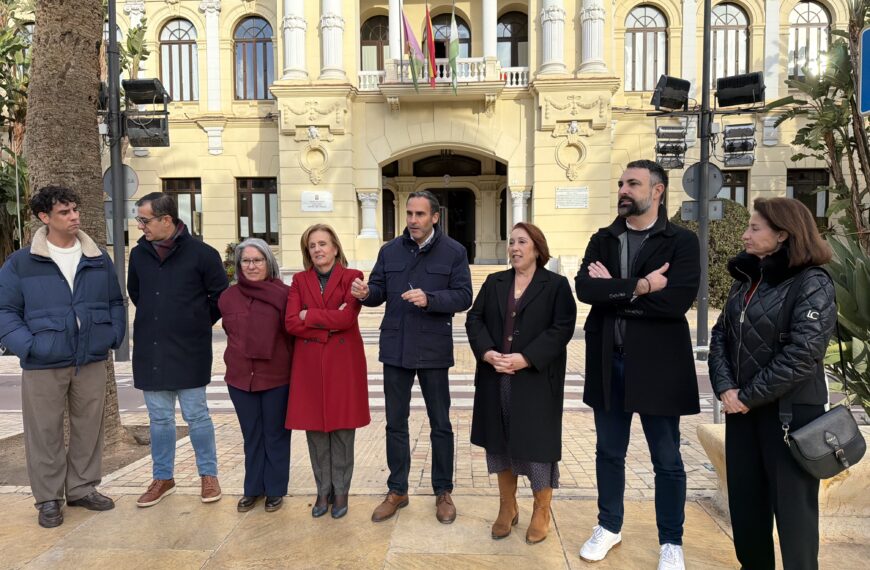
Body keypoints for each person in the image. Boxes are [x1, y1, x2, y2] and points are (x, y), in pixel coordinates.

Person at [575, 160, 700, 570]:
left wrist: (616, 294)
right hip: (609, 363)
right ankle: (609, 526)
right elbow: (586, 289)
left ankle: (671, 541)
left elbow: (676, 303)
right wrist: (641, 287)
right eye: (621, 183)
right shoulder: (604, 238)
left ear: (658, 191)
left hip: (659, 367)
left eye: (633, 183)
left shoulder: (681, 241)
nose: (624, 189)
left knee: (666, 458)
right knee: (609, 453)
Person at [709, 198, 835, 570]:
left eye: (754, 228)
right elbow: (720, 337)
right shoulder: (747, 279)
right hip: (743, 413)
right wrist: (726, 389)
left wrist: (746, 396)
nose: (745, 235)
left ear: (783, 234)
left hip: (790, 416)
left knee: (795, 517)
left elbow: (803, 353)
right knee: (746, 511)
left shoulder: (812, 282)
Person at [0, 186, 126, 528]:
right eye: (65, 212)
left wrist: (112, 335)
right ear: (45, 218)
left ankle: (83, 488)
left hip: (90, 358)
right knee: (44, 432)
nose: (74, 217)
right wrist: (29, 346)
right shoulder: (21, 263)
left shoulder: (97, 257)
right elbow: (6, 311)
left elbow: (116, 300)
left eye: (75, 210)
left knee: (89, 428)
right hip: (43, 362)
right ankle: (49, 499)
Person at [351, 190, 472, 524]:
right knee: (395, 423)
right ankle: (397, 490)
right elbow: (377, 291)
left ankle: (443, 491)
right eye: (409, 214)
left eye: (420, 215)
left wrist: (430, 298)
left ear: (435, 217)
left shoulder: (454, 252)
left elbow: (464, 296)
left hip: (433, 350)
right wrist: (365, 293)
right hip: (396, 348)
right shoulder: (389, 251)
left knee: (441, 424)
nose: (413, 221)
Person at [466, 222, 576, 544]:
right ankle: (507, 506)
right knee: (499, 442)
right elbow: (475, 319)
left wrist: (526, 357)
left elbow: (562, 328)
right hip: (496, 377)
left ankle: (541, 511)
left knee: (537, 447)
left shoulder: (555, 285)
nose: (514, 248)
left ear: (537, 249)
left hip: (536, 380)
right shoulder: (494, 282)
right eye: (511, 242)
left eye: (522, 242)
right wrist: (487, 352)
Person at [128, 192, 229, 507]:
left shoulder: (203, 254)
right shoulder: (138, 255)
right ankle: (163, 477)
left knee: (197, 415)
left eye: (144, 220)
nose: (140, 225)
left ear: (166, 220)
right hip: (150, 349)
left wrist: (195, 323)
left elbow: (220, 298)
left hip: (190, 350)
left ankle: (208, 476)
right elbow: (137, 293)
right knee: (159, 419)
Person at [285, 224, 370, 519]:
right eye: (312, 245)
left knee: (343, 429)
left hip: (343, 363)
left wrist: (311, 317)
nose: (318, 249)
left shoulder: (353, 277)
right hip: (309, 365)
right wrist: (325, 324)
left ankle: (342, 490)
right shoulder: (299, 280)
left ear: (335, 247)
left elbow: (347, 318)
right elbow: (292, 323)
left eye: (323, 243)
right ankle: (323, 490)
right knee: (316, 430)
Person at [219, 238, 293, 513]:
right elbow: (229, 333)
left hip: (276, 376)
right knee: (252, 435)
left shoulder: (284, 295)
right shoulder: (228, 297)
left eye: (257, 260)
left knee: (275, 434)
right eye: (246, 261)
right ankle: (253, 489)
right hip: (240, 377)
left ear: (268, 263)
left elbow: (291, 335)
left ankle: (275, 489)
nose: (251, 266)